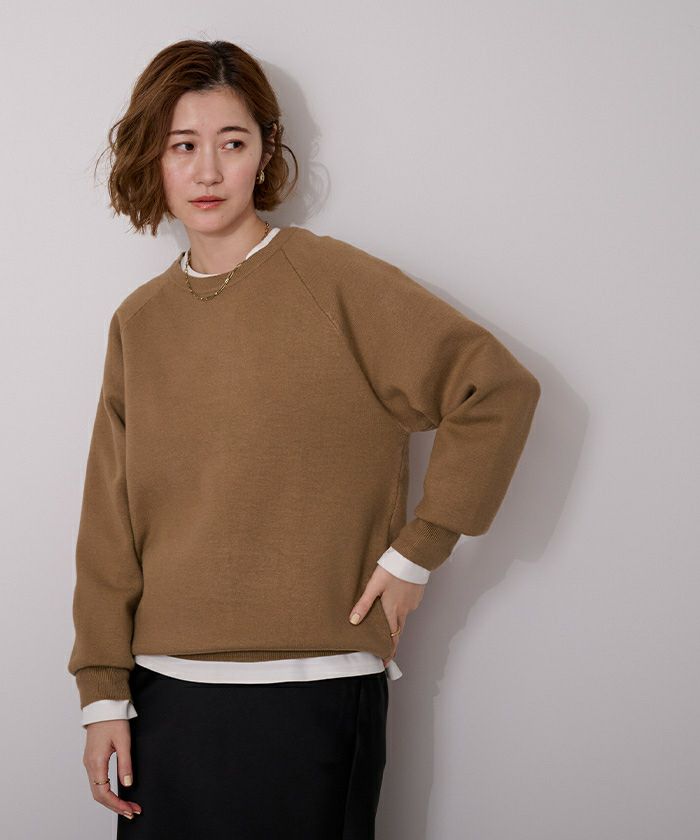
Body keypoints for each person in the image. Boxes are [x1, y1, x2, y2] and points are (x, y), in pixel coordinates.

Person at [67, 38, 541, 839]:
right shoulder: (140, 323)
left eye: (232, 143)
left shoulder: (333, 283)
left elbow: (493, 388)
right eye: (183, 146)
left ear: (265, 153)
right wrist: (102, 693)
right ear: (153, 157)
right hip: (165, 699)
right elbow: (109, 523)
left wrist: (418, 551)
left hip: (315, 690)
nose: (208, 171)